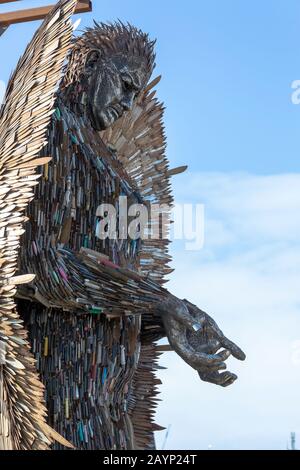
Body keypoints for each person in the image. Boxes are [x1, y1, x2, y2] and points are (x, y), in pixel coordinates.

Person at [16, 22, 245, 449]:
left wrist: (176, 319)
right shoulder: (51, 134)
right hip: (64, 394)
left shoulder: (106, 162)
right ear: (87, 65)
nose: (125, 103)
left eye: (135, 95)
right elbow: (37, 265)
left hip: (111, 397)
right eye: (123, 85)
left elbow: (116, 287)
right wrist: (156, 300)